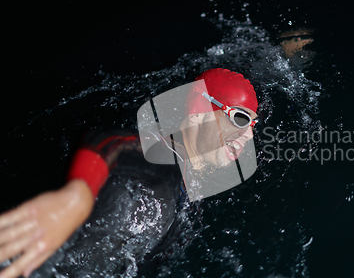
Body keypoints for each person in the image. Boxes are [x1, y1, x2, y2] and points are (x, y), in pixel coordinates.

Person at [0, 68, 258, 278]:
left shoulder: (191, 193)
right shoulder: (158, 152)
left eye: (253, 125)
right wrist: (76, 196)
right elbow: (108, 141)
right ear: (198, 112)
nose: (248, 135)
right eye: (239, 119)